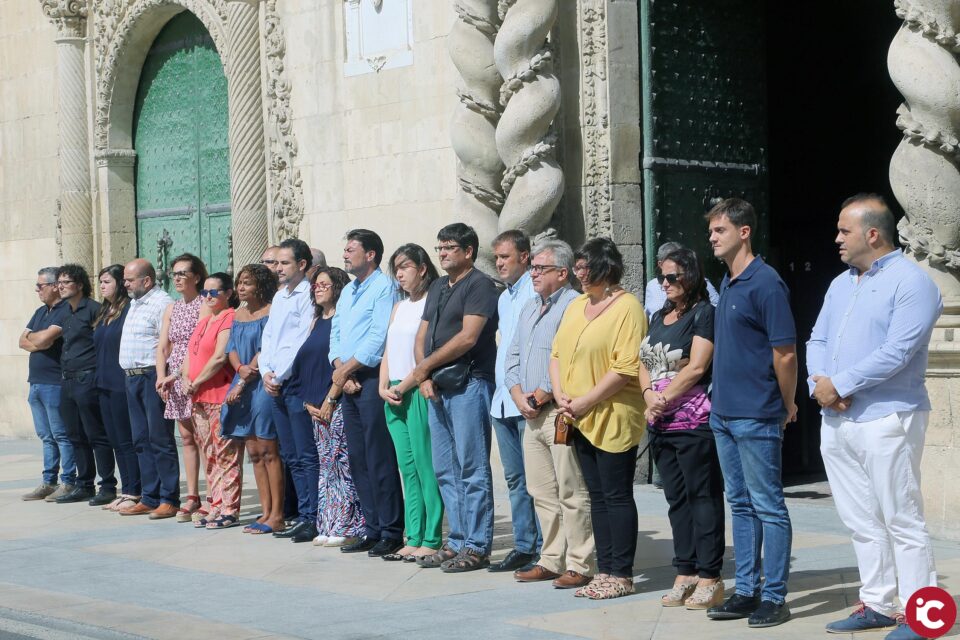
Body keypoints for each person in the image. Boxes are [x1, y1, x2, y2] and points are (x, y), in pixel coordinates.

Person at [809, 194, 942, 640]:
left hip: (888, 417)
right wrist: (819, 383)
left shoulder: (913, 282)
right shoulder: (840, 284)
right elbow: (817, 338)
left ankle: (919, 615)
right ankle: (879, 603)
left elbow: (899, 352)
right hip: (838, 420)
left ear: (872, 234)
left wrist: (840, 384)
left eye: (844, 231)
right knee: (860, 518)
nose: (837, 239)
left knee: (901, 518)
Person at [704, 198, 797, 627]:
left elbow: (785, 353)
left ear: (744, 232)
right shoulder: (728, 282)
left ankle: (775, 596)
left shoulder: (766, 283)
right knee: (739, 504)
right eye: (711, 231)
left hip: (756, 414)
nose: (712, 237)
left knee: (768, 506)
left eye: (719, 230)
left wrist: (788, 402)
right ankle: (746, 589)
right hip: (722, 413)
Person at [549, 238, 646, 600]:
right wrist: (561, 396)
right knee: (597, 497)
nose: (579, 272)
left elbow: (625, 367)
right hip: (576, 416)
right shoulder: (576, 306)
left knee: (617, 495)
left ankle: (621, 573)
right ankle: (603, 569)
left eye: (585, 266)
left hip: (612, 413)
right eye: (577, 265)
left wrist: (585, 401)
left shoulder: (628, 308)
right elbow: (557, 353)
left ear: (605, 268)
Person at [637, 246, 725, 610]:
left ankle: (710, 576)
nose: (666, 283)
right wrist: (647, 395)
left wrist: (665, 396)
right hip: (661, 422)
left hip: (692, 421)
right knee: (676, 500)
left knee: (701, 497)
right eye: (662, 277)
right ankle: (684, 571)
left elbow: (698, 365)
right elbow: (643, 361)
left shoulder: (705, 313)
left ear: (691, 276)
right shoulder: (660, 316)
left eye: (673, 276)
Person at [410, 223, 499, 573]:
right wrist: (425, 375)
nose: (443, 253)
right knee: (445, 469)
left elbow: (467, 338)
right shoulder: (436, 286)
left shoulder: (480, 286)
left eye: (449, 247)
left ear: (469, 251)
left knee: (472, 468)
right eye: (440, 247)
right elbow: (422, 335)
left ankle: (477, 545)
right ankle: (457, 539)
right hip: (437, 387)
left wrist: (423, 371)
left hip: (469, 384)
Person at [507, 239, 594, 589]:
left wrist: (543, 392)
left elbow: (568, 358)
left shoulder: (575, 305)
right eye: (533, 268)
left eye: (541, 268)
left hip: (559, 410)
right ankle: (551, 558)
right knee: (541, 490)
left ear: (563, 272)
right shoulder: (529, 306)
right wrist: (517, 394)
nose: (534, 273)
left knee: (571, 489)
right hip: (529, 413)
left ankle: (580, 562)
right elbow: (512, 356)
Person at [330, 229, 404, 557]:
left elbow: (378, 336)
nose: (345, 254)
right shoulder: (347, 292)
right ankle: (371, 527)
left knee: (379, 456)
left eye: (351, 249)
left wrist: (347, 369)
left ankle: (391, 528)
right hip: (348, 379)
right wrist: (340, 370)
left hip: (372, 378)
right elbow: (336, 333)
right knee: (358, 457)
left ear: (370, 254)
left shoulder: (383, 287)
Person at [380, 244, 444, 561]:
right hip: (392, 392)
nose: (400, 273)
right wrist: (383, 386)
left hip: (415, 388)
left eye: (405, 266)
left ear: (422, 268)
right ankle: (413, 534)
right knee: (407, 469)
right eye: (397, 268)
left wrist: (405, 386)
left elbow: (427, 354)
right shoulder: (399, 306)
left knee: (424, 465)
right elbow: (389, 350)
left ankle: (432, 537)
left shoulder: (432, 302)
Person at [294, 266, 365, 547]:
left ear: (338, 286)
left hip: (334, 402)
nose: (317, 288)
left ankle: (349, 524)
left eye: (324, 283)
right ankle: (329, 522)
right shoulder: (316, 319)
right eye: (315, 284)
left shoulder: (342, 319)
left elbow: (341, 364)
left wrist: (330, 399)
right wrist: (309, 402)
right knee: (326, 468)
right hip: (315, 406)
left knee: (342, 465)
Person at [488, 229, 541, 572]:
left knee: (539, 479)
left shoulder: (535, 292)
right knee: (515, 478)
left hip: (528, 398)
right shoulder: (504, 297)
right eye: (496, 258)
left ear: (525, 257)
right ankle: (524, 544)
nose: (499, 264)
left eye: (505, 257)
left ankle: (545, 545)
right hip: (501, 400)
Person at [260, 238, 316, 542]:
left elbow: (301, 340)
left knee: (306, 454)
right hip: (274, 382)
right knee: (290, 454)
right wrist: (266, 371)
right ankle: (301, 514)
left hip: (294, 382)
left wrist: (279, 374)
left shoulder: (308, 295)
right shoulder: (281, 296)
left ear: (302, 265)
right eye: (276, 263)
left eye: (284, 263)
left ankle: (313, 515)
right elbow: (269, 338)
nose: (278, 268)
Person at [221, 263, 282, 534]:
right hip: (242, 380)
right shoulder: (238, 313)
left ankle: (278, 513)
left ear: (260, 285)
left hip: (260, 383)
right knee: (254, 452)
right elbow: (232, 347)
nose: (241, 287)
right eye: (239, 282)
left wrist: (246, 376)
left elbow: (265, 347)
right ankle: (264, 511)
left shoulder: (271, 312)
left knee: (269, 450)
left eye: (247, 282)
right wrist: (238, 369)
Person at [117, 259, 178, 519]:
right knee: (141, 439)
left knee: (159, 438)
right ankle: (149, 495)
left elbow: (169, 344)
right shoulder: (134, 303)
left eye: (130, 280)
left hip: (151, 375)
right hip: (131, 377)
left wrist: (163, 376)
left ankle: (169, 498)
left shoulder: (162, 302)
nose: (125, 284)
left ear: (147, 280)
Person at [54, 264, 117, 505]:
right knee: (74, 435)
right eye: (59, 282)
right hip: (67, 379)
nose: (60, 286)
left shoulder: (94, 310)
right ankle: (84, 484)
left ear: (79, 285)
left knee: (95, 433)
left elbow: (101, 346)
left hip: (87, 377)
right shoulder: (64, 312)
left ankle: (108, 485)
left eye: (66, 282)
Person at [181, 273, 240, 529]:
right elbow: (188, 355)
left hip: (218, 395)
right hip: (198, 397)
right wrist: (185, 379)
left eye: (213, 292)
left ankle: (230, 508)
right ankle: (215, 503)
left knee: (225, 453)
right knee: (209, 454)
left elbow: (219, 358)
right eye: (204, 292)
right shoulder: (204, 320)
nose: (207, 297)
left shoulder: (229, 317)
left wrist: (196, 381)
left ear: (227, 294)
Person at [156, 254, 208, 522]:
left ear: (196, 277)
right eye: (174, 273)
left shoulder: (204, 305)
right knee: (186, 438)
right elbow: (164, 346)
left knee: (202, 438)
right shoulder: (172, 308)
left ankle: (212, 496)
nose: (176, 278)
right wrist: (160, 375)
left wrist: (177, 374)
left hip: (194, 375)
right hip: (173, 377)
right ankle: (191, 495)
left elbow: (197, 345)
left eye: (182, 273)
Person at [19, 267, 75, 502]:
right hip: (36, 383)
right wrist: (38, 341)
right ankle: (48, 481)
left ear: (54, 286)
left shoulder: (64, 310)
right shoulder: (40, 312)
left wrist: (39, 340)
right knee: (46, 436)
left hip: (54, 383)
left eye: (41, 285)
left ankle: (69, 481)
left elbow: (41, 339)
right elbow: (22, 341)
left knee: (61, 434)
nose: (37, 289)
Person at [93, 264, 141, 512]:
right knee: (115, 440)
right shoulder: (105, 311)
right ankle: (127, 488)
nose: (102, 286)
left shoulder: (128, 310)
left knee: (127, 439)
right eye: (100, 282)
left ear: (121, 283)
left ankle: (134, 490)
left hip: (121, 382)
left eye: (107, 282)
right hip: (103, 383)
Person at [644, 242, 719, 318]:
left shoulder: (700, 282)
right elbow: (647, 315)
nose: (665, 284)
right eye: (661, 279)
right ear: (660, 264)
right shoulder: (652, 286)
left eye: (672, 277)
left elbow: (717, 309)